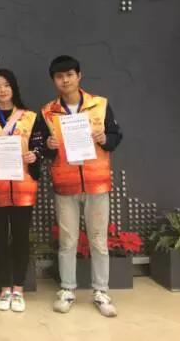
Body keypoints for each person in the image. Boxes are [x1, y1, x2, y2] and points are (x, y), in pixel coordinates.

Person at [41, 56, 122, 317]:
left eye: (69, 75)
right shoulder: (48, 112)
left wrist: (104, 138)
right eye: (59, 76)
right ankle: (67, 289)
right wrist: (48, 146)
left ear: (79, 76)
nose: (65, 80)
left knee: (98, 239)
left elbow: (115, 136)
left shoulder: (100, 104)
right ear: (53, 81)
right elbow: (43, 149)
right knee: (67, 241)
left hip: (97, 184)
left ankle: (101, 291)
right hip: (65, 185)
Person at [0, 69, 47, 312]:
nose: (2, 90)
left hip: (23, 187)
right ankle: (4, 288)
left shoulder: (30, 118)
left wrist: (34, 155)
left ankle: (19, 288)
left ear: (13, 87)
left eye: (6, 85)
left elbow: (39, 147)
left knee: (20, 238)